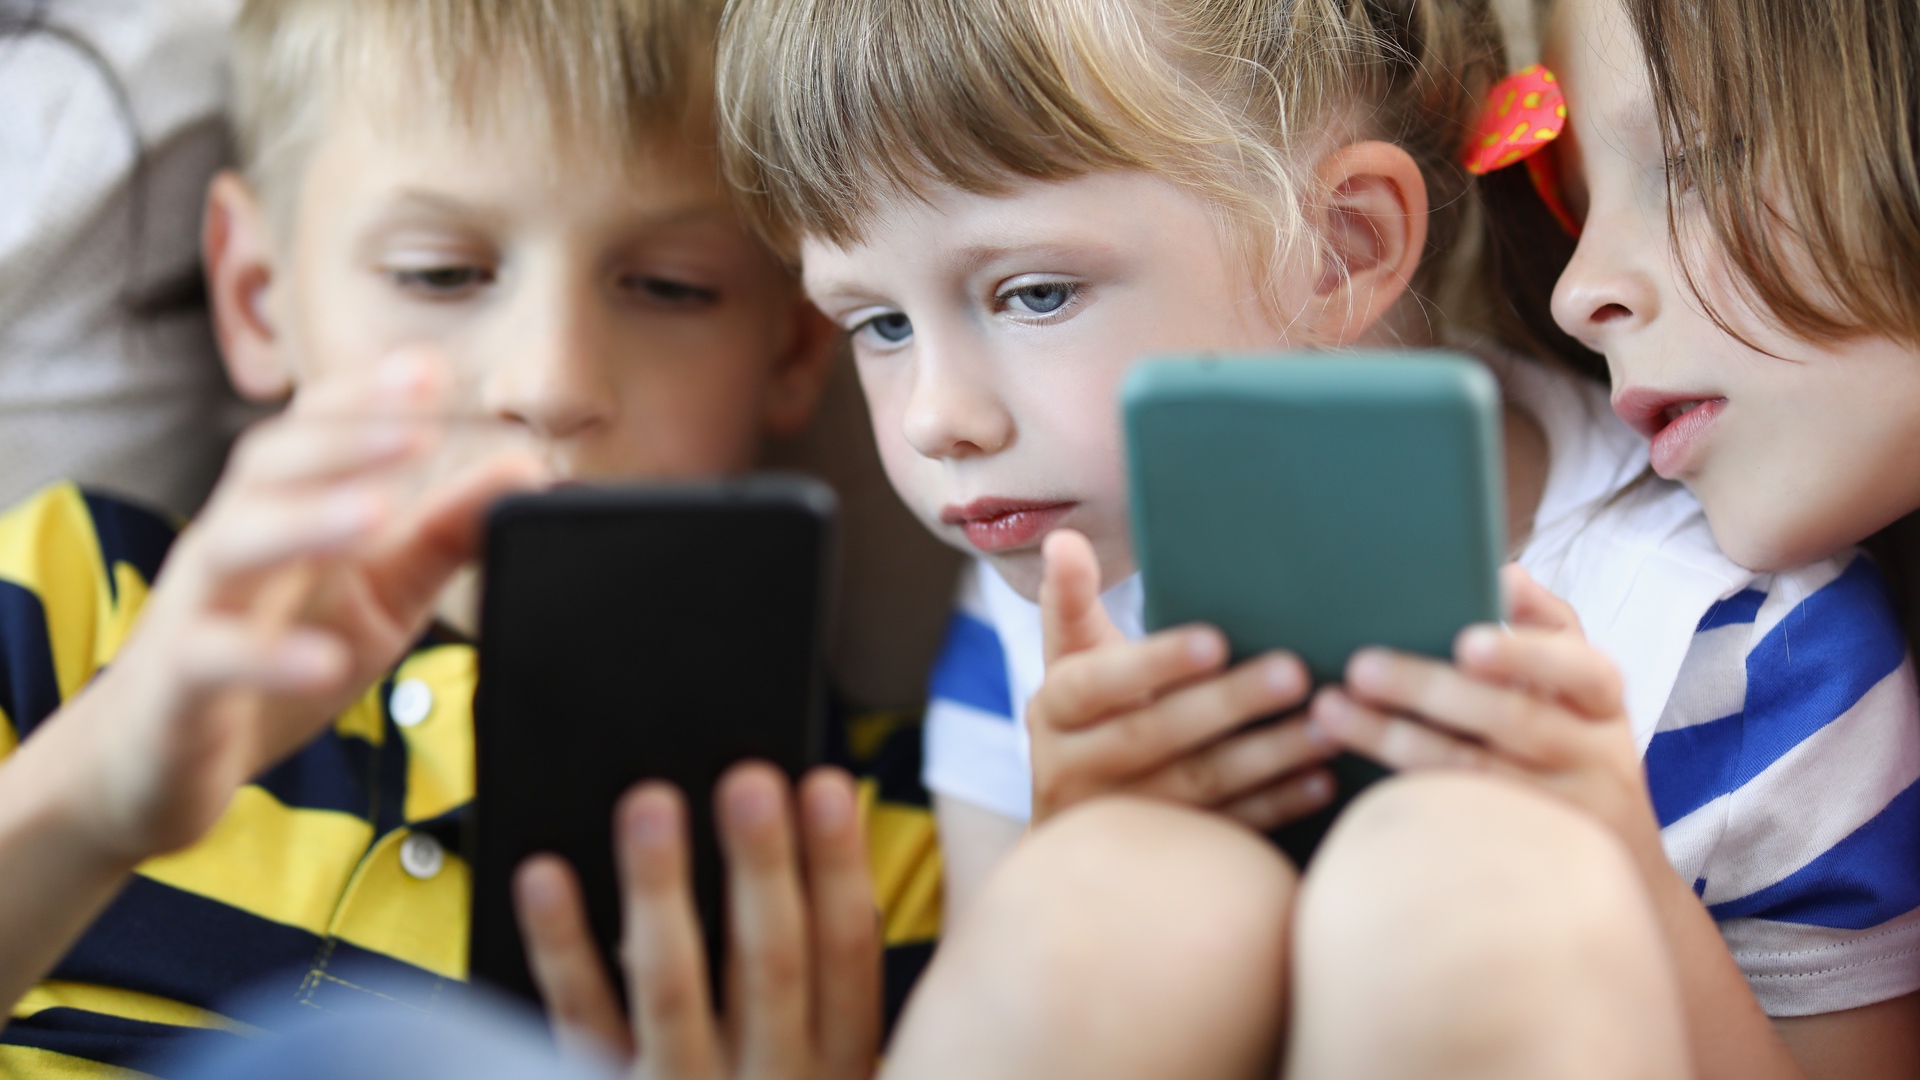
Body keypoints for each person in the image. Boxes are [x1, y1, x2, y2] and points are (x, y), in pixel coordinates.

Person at [0, 0, 940, 1074]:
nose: (548, 383)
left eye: (671, 287)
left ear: (794, 350)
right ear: (259, 298)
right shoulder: (72, 598)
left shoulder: (872, 846)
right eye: (440, 273)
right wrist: (92, 798)